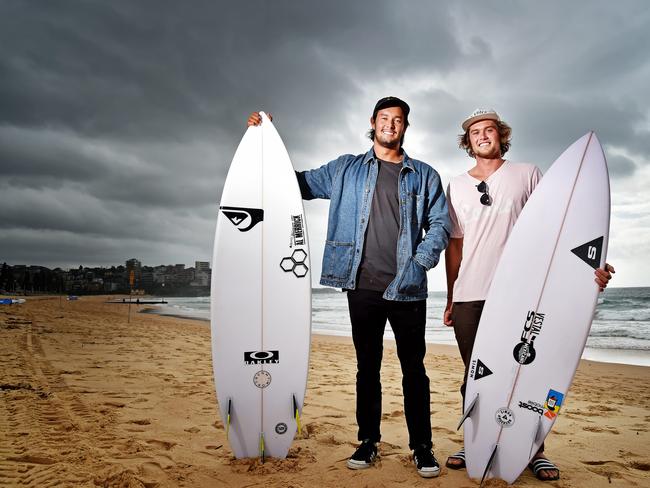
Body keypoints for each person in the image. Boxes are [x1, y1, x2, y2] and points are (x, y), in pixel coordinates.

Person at [248, 97, 450, 478]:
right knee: (366, 368)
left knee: (414, 371)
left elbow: (439, 225)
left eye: (399, 120)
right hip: (361, 284)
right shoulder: (345, 169)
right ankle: (369, 441)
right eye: (385, 118)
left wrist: (419, 262)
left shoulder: (424, 175)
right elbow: (296, 185)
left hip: (408, 288)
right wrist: (264, 140)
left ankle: (422, 448)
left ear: (406, 127)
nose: (391, 125)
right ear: (373, 122)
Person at [443, 108, 615, 481]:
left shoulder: (527, 173)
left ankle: (535, 449)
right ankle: (473, 441)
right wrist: (450, 296)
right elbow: (454, 245)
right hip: (471, 291)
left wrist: (590, 269)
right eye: (475, 132)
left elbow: (560, 228)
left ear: (501, 135)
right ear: (467, 142)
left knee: (528, 371)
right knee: (476, 374)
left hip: (521, 292)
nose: (483, 135)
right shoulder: (455, 184)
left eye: (489, 130)